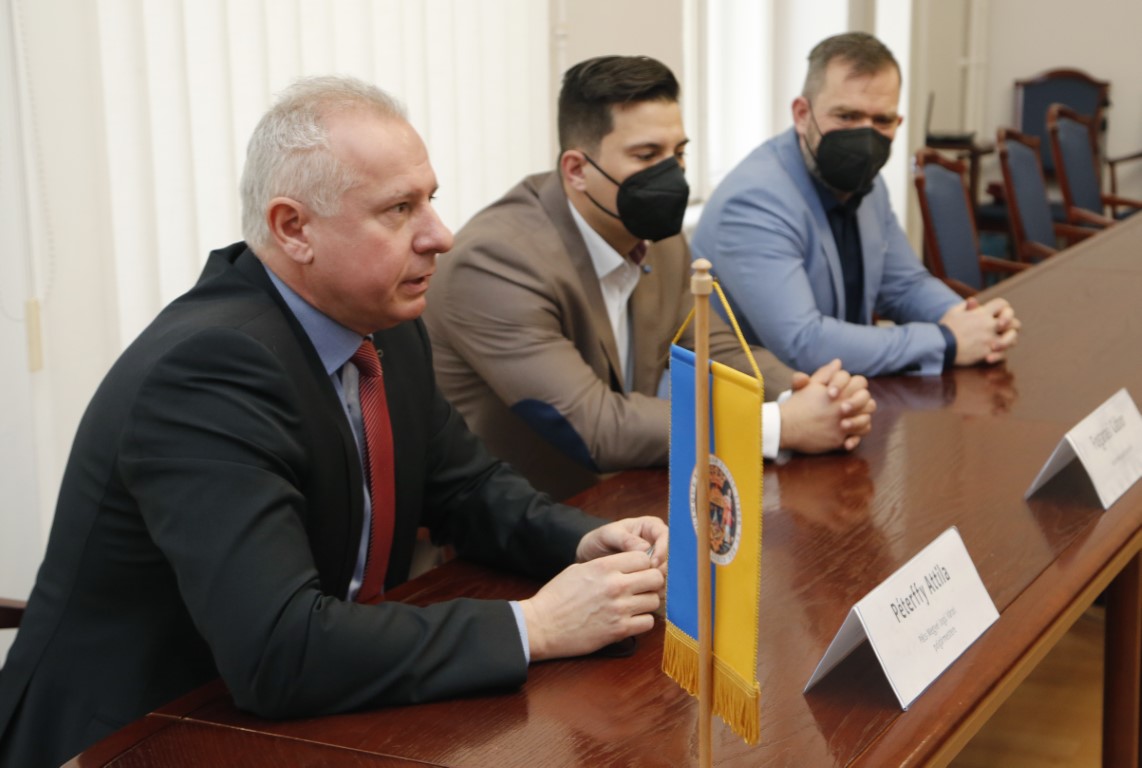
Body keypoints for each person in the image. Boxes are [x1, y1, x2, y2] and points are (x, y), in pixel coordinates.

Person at [0, 76, 668, 768]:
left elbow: (466, 490)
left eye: (430, 200)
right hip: (141, 735)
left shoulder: (384, 324)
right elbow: (278, 649)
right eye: (399, 209)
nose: (440, 236)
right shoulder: (208, 370)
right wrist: (536, 625)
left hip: (312, 709)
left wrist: (584, 542)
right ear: (294, 229)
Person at [424, 55, 876, 501]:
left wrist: (811, 395)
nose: (671, 176)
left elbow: (714, 349)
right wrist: (780, 425)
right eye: (646, 156)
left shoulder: (656, 235)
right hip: (516, 520)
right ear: (577, 170)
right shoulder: (496, 262)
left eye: (678, 153)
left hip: (624, 498)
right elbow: (597, 426)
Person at [691, 32, 1021, 378]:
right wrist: (948, 341)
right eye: (847, 116)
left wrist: (971, 321)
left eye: (882, 121)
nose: (865, 138)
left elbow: (905, 285)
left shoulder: (867, 184)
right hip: (754, 403)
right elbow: (804, 344)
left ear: (898, 123)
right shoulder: (753, 201)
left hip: (843, 391)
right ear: (802, 114)